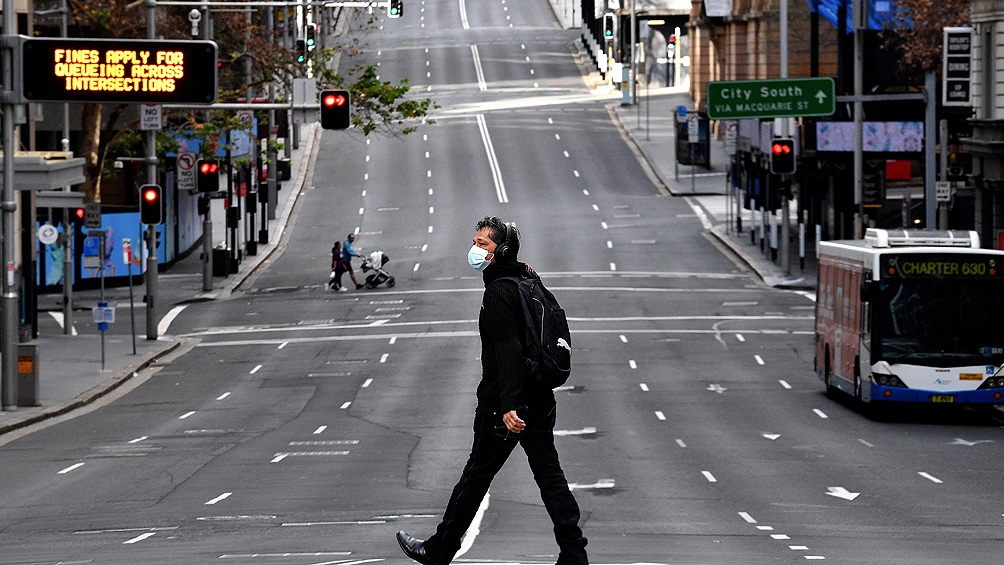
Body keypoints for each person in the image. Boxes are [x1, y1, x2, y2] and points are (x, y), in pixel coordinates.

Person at [396, 216, 589, 565]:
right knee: (551, 478)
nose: (474, 249)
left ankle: (440, 549)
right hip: (541, 399)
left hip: (506, 404)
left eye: (482, 244)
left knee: (475, 477)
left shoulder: (499, 292)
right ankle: (575, 554)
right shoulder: (528, 281)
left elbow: (509, 350)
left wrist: (509, 405)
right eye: (474, 242)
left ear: (500, 250)